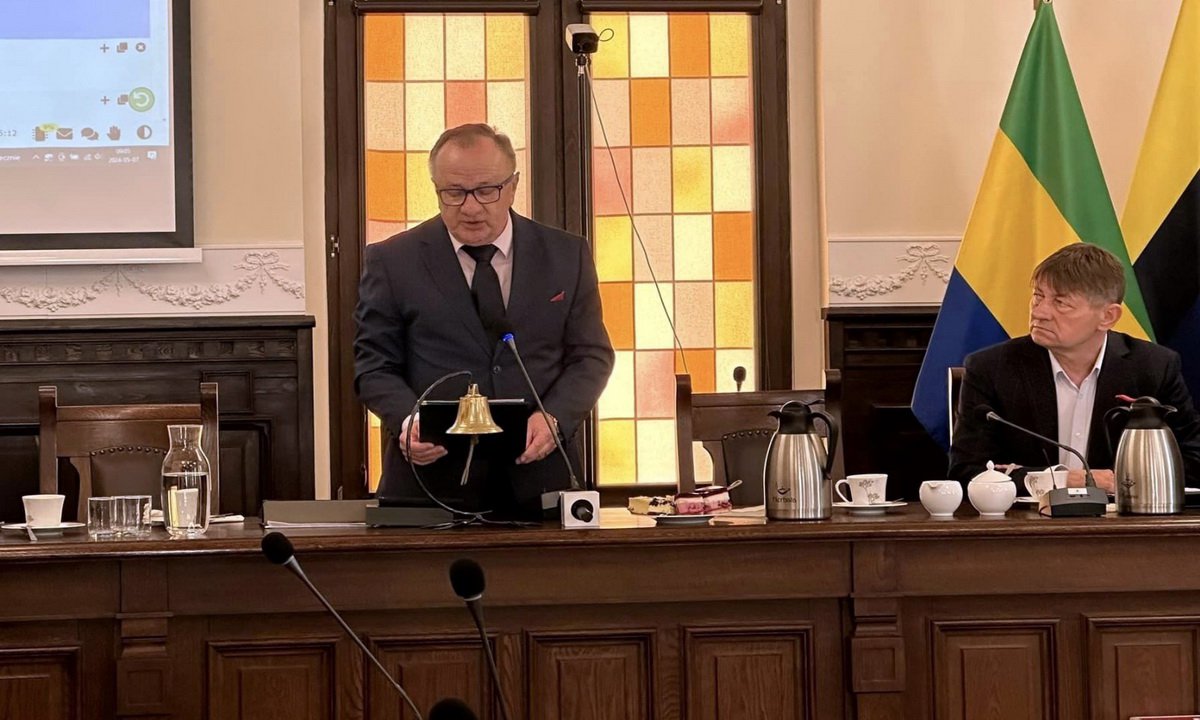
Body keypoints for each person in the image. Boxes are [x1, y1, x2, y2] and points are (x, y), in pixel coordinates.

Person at [354, 124, 614, 517]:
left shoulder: (566, 255)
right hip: (430, 482)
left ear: (513, 186)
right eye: (454, 193)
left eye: (486, 190)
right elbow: (373, 366)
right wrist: (409, 421)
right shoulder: (393, 261)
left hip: (539, 477)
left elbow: (591, 356)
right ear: (436, 189)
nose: (471, 208)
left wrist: (555, 418)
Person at [949, 243, 1200, 492]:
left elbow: (1194, 462)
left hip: (1122, 515)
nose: (1040, 312)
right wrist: (1065, 480)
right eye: (1038, 296)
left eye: (1061, 303)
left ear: (1108, 316)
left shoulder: (1153, 367)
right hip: (1027, 516)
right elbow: (967, 472)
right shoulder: (991, 368)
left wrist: (1123, 482)